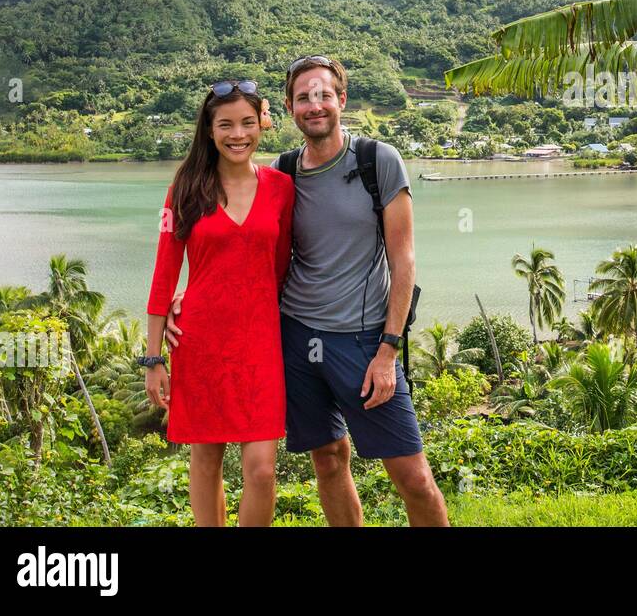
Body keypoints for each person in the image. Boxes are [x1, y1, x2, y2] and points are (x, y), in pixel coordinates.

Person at [167, 55, 449, 526]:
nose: (314, 105)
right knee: (329, 459)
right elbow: (249, 253)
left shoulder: (377, 161)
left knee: (412, 475)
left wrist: (388, 350)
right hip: (295, 339)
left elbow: (404, 261)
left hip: (364, 341)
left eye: (323, 95)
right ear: (289, 108)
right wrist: (190, 296)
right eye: (303, 97)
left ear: (341, 100)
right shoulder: (282, 173)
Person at [141, 79, 294, 527]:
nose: (237, 134)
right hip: (200, 341)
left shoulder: (282, 187)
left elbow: (280, 267)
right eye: (225, 124)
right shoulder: (186, 187)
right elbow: (163, 274)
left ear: (262, 125)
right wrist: (154, 359)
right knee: (206, 460)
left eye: (247, 122)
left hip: (262, 343)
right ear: (209, 131)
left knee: (263, 470)